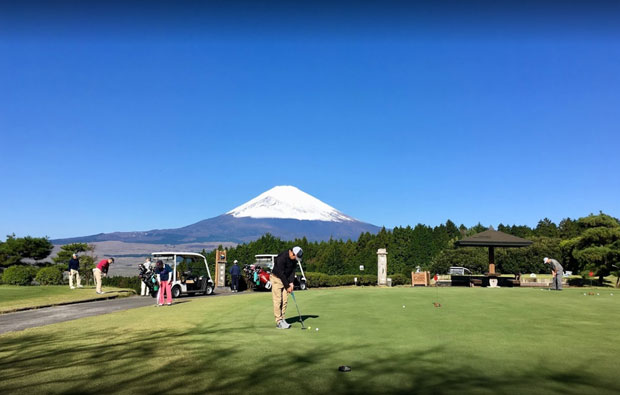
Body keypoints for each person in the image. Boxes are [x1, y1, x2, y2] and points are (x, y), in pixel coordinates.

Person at [271, 246, 303, 329]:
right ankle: (278, 321)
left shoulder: (293, 260)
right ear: (292, 253)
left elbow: (292, 271)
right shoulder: (282, 258)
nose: (295, 259)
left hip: (286, 280)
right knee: (278, 300)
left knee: (285, 300)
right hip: (276, 279)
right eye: (295, 257)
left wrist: (291, 282)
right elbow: (281, 274)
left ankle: (282, 318)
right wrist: (287, 286)